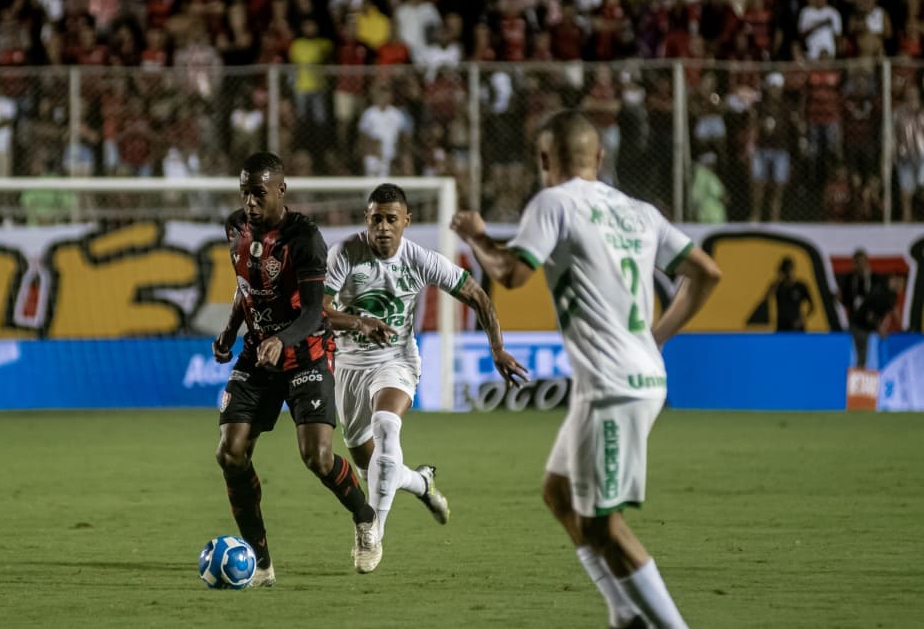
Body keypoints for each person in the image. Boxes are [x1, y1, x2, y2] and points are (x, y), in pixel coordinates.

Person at [451, 110, 722, 629]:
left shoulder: (553, 202)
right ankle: (623, 611)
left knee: (601, 524)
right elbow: (706, 273)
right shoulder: (639, 211)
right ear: (599, 158)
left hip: (613, 385)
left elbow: (510, 275)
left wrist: (479, 236)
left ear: (544, 159)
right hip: (624, 377)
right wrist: (656, 337)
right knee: (558, 492)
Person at [323, 183, 527, 568]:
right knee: (371, 469)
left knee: (387, 426)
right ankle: (420, 482)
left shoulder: (420, 259)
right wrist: (359, 322)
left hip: (396, 361)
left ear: (406, 222)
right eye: (376, 219)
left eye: (391, 219)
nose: (383, 227)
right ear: (366, 219)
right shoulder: (345, 254)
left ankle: (372, 532)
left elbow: (478, 295)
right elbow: (319, 309)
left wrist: (496, 347)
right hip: (349, 366)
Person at [212, 152, 379, 586]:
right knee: (230, 453)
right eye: (244, 192)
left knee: (317, 458)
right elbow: (244, 288)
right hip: (257, 354)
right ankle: (260, 562)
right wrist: (230, 332)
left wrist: (280, 339)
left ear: (281, 191)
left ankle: (365, 517)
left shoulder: (304, 238)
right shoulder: (234, 227)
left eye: (258, 193)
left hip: (304, 352)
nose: (249, 202)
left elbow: (312, 313)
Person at [840, 249, 883, 368]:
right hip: (856, 322)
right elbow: (846, 300)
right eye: (857, 262)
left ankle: (877, 372)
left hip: (873, 321)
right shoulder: (850, 279)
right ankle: (861, 373)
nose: (860, 265)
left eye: (862, 262)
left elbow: (881, 299)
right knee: (858, 352)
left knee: (875, 350)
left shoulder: (874, 278)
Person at [768, 257, 814, 332]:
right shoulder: (778, 286)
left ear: (793, 269)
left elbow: (812, 307)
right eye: (785, 269)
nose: (788, 272)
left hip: (796, 326)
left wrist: (801, 320)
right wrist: (778, 277)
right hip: (782, 325)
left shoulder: (800, 286)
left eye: (790, 268)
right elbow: (768, 296)